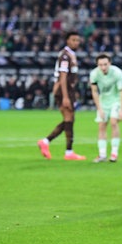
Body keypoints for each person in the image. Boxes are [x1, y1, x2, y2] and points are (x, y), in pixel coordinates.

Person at [37, 31, 86, 160]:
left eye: (77, 40)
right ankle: (66, 151)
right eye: (73, 40)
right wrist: (65, 96)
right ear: (67, 41)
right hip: (64, 92)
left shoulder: (71, 54)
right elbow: (63, 77)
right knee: (69, 119)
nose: (76, 42)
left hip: (69, 91)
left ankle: (50, 144)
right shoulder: (65, 56)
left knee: (69, 120)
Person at [89, 53, 122, 162]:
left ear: (109, 63)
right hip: (103, 102)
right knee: (102, 126)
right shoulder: (94, 74)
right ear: (97, 65)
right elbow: (94, 92)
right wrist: (99, 108)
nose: (103, 67)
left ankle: (114, 153)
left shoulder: (117, 73)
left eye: (105, 64)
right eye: (100, 65)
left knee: (114, 122)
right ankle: (102, 155)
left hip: (116, 101)